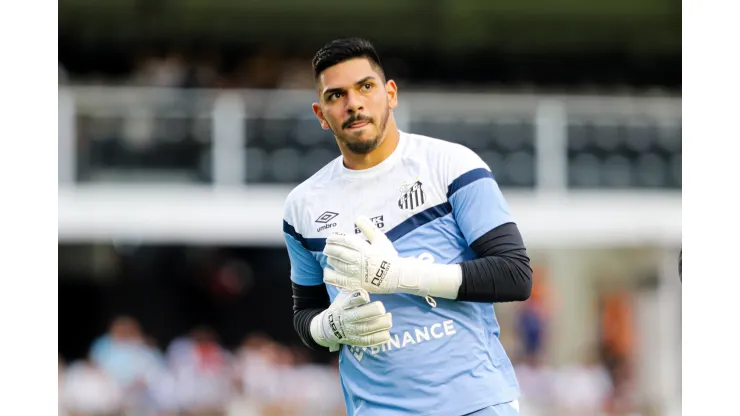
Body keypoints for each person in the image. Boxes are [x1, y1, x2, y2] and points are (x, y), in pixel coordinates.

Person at [283, 37, 533, 416]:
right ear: (321, 114)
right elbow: (306, 314)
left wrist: (398, 274)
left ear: (391, 93)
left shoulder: (451, 165)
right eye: (336, 96)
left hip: (476, 403)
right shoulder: (302, 207)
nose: (353, 104)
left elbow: (515, 274)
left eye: (365, 87)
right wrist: (329, 328)